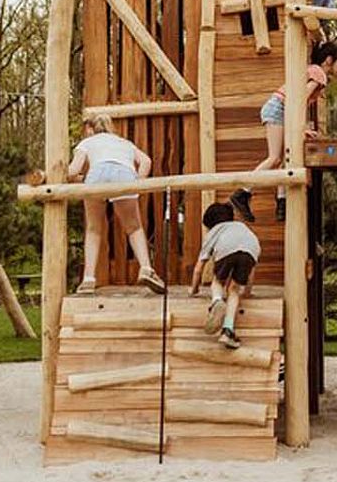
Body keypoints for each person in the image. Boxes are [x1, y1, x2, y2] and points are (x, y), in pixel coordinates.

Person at [67, 112, 166, 294]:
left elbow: (73, 170)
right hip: (124, 175)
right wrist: (137, 182)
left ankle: (88, 279)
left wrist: (63, 175)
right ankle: (146, 268)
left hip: (96, 175)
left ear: (89, 129)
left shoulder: (87, 143)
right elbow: (146, 161)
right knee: (134, 228)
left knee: (93, 229)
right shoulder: (124, 143)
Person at [253, 40, 337, 219]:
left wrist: (301, 128)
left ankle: (281, 202)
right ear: (329, 60)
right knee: (274, 158)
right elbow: (299, 99)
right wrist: (300, 127)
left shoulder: (313, 70)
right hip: (279, 108)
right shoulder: (319, 74)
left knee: (284, 159)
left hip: (281, 108)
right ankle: (243, 191)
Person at [189, 201, 260, 349]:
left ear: (210, 224)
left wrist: (194, 289)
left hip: (227, 247)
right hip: (251, 248)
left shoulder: (214, 232)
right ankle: (228, 330)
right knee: (234, 290)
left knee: (218, 281)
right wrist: (247, 291)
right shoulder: (241, 227)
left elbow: (198, 269)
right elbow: (251, 271)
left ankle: (217, 301)